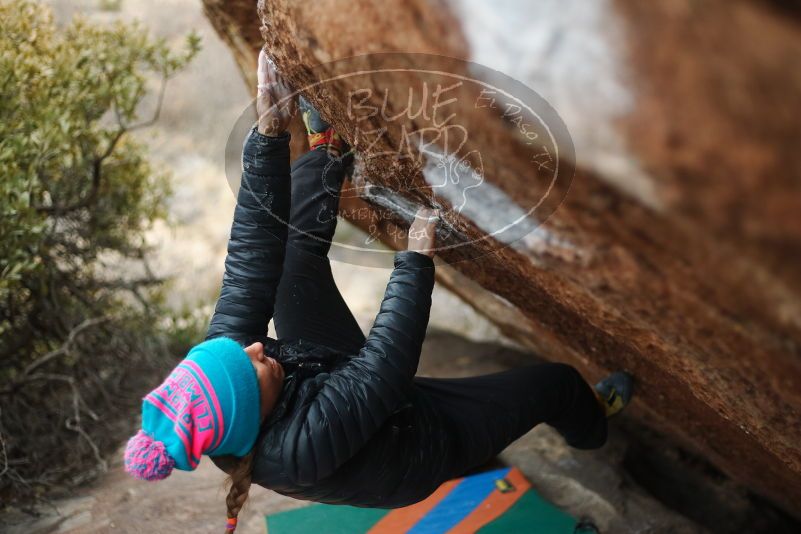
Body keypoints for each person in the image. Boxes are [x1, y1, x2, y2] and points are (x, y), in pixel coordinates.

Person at [123, 49, 633, 533]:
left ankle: (327, 150)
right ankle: (595, 425)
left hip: (323, 370)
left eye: (241, 349)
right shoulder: (299, 448)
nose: (255, 347)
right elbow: (383, 370)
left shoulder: (225, 369)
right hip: (417, 435)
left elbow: (250, 261)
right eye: (252, 364)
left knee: (288, 269)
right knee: (556, 386)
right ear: (253, 414)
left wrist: (268, 132)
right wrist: (413, 261)